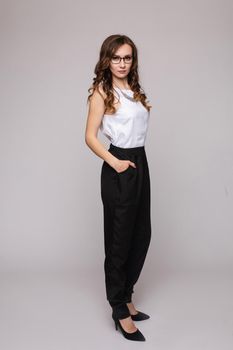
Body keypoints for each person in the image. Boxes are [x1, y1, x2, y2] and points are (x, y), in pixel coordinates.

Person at [85, 34, 152, 341]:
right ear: (106, 60)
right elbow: (90, 137)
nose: (122, 63)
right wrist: (116, 163)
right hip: (119, 165)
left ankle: (126, 295)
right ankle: (119, 308)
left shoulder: (133, 89)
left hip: (141, 162)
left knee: (141, 234)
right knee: (119, 239)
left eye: (127, 58)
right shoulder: (102, 91)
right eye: (117, 58)